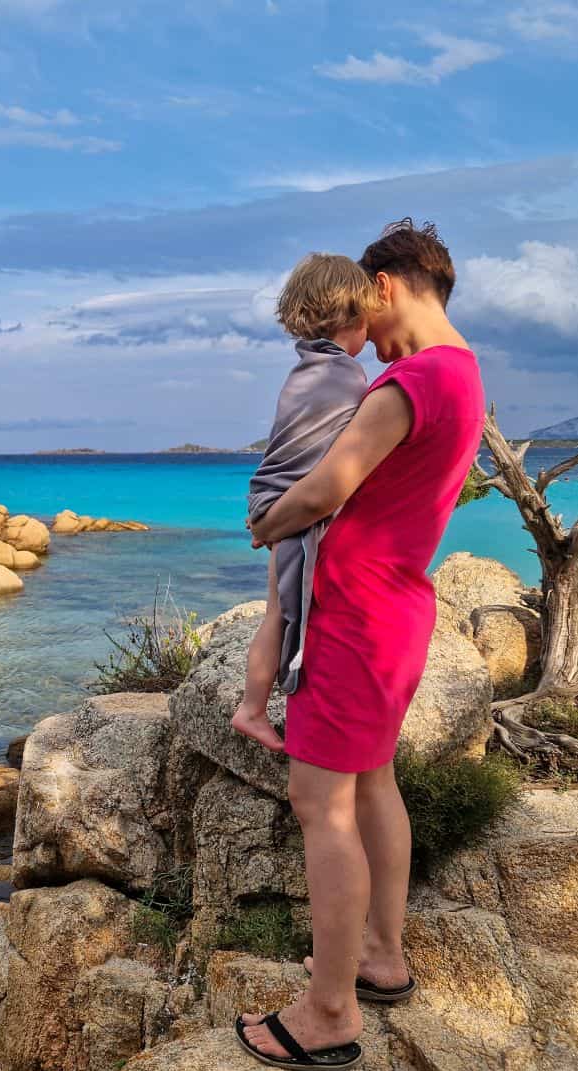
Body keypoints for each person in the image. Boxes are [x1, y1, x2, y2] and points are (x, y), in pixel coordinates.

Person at [235, 220, 485, 1071]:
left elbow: (325, 487)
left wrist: (264, 521)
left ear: (386, 286)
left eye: (361, 307)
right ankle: (380, 955)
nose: (358, 330)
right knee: (372, 784)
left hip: (352, 616)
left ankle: (329, 1011)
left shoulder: (409, 381)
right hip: (397, 607)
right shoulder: (464, 375)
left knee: (321, 805)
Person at [230, 253, 379, 753]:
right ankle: (252, 709)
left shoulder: (307, 369)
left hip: (272, 497)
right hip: (289, 506)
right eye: (368, 323)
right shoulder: (346, 376)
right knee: (286, 614)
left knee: (274, 611)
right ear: (353, 317)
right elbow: (337, 454)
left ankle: (253, 706)